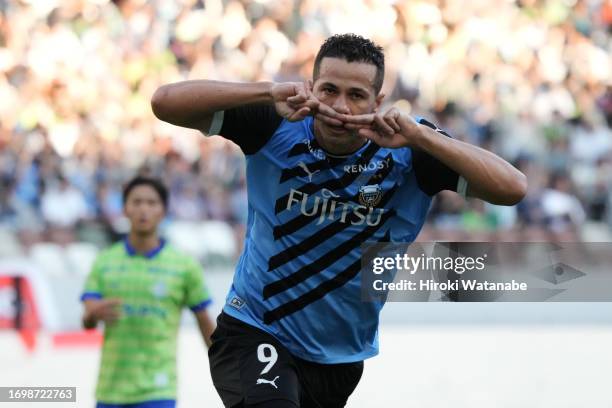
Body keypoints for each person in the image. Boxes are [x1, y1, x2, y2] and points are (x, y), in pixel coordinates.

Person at [151, 34, 527, 408]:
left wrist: (422, 136)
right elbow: (165, 102)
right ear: (312, 87)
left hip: (340, 357)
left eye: (356, 95)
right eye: (329, 90)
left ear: (378, 102)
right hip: (256, 330)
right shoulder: (276, 121)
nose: (340, 107)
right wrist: (266, 92)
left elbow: (513, 188)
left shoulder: (410, 148)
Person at [80, 176, 216, 408]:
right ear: (125, 209)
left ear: (163, 211)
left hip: (158, 389)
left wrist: (227, 367)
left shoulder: (184, 265)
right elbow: (87, 322)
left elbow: (204, 321)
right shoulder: (104, 261)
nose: (144, 209)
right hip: (110, 390)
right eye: (137, 202)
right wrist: (93, 315)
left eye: (152, 203)